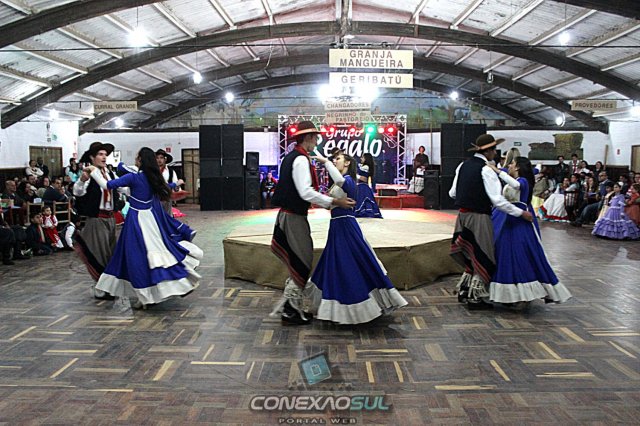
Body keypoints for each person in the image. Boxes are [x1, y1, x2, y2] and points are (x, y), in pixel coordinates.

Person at [87, 147, 203, 310]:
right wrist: (175, 184)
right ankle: (149, 294)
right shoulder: (152, 177)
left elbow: (107, 185)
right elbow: (161, 187)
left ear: (141, 160)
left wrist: (93, 171)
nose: (135, 159)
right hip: (150, 220)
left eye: (137, 156)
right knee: (151, 255)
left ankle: (145, 296)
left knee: (136, 257)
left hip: (136, 221)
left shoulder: (134, 177)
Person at [269, 121, 355, 325]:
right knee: (302, 262)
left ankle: (292, 308)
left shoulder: (295, 157)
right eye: (315, 138)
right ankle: (290, 311)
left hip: (292, 215)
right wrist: (335, 202)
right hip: (293, 217)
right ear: (307, 138)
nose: (317, 142)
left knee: (300, 261)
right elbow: (305, 192)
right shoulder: (299, 159)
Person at [306, 153, 406, 324]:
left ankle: (355, 304)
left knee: (350, 261)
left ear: (347, 163)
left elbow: (339, 181)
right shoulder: (340, 182)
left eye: (338, 159)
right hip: (337, 226)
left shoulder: (349, 180)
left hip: (345, 226)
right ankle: (339, 306)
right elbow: (329, 203)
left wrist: (326, 162)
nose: (335, 161)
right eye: (334, 159)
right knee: (337, 261)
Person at [449, 134, 533, 310]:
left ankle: (465, 290)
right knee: (483, 255)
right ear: (488, 151)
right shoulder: (486, 170)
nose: (495, 153)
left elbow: (453, 193)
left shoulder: (463, 165)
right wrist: (520, 213)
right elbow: (498, 200)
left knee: (470, 256)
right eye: (494, 150)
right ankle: (475, 297)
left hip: (462, 216)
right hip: (479, 217)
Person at [486, 158, 571, 305]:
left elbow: (516, 185)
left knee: (521, 254)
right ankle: (509, 293)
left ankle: (524, 292)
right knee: (504, 253)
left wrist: (497, 170)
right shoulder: (513, 179)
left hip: (519, 222)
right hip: (507, 221)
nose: (509, 165)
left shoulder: (523, 181)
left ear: (518, 167)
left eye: (512, 163)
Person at [73, 142, 122, 297]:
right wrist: (82, 180)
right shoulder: (88, 173)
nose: (104, 157)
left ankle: (109, 285)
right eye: (100, 154)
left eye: (105, 154)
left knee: (110, 253)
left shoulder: (109, 173)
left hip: (110, 218)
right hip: (96, 218)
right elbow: (77, 192)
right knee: (99, 253)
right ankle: (101, 286)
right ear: (92, 157)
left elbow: (120, 188)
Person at [355, 153, 382, 218]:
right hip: (360, 186)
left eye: (362, 157)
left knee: (362, 199)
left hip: (363, 187)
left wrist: (356, 175)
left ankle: (364, 212)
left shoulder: (366, 167)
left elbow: (364, 179)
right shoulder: (362, 166)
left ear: (366, 159)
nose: (361, 158)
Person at [155, 149, 180, 215]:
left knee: (167, 216)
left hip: (167, 198)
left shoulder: (171, 171)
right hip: (154, 198)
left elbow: (176, 185)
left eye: (161, 158)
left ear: (165, 159)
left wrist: (177, 187)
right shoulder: (152, 171)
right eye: (157, 158)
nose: (159, 160)